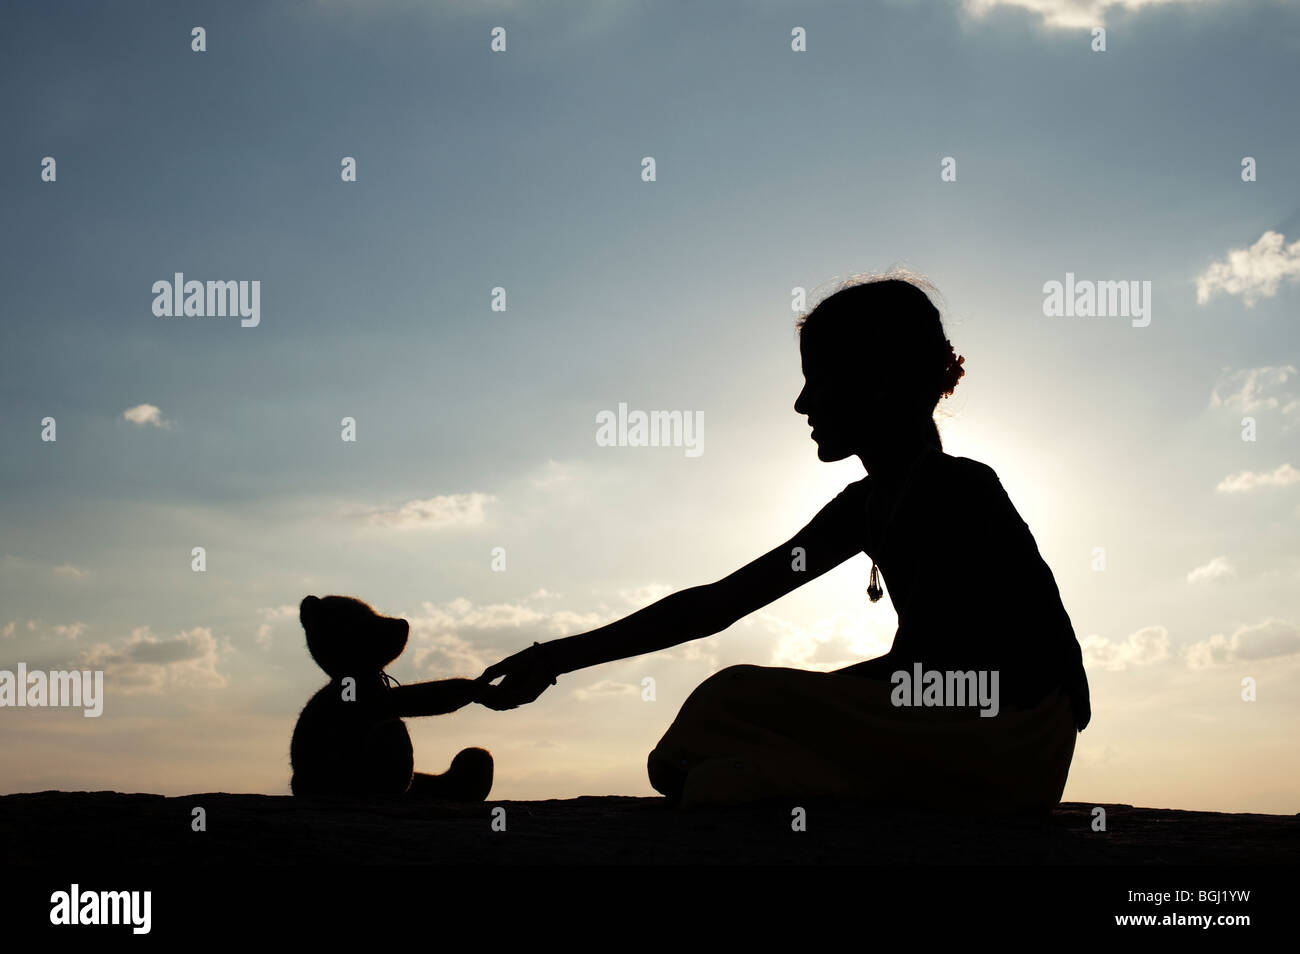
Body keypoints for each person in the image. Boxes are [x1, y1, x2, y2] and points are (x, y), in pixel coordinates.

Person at [476, 272, 1091, 814]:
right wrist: (553, 658)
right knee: (723, 715)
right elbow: (719, 604)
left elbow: (968, 671)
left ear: (876, 382)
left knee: (734, 701)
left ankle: (804, 779)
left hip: (1000, 734)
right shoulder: (866, 507)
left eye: (817, 380)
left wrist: (833, 698)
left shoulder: (957, 490)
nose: (802, 403)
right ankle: (801, 779)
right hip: (953, 727)